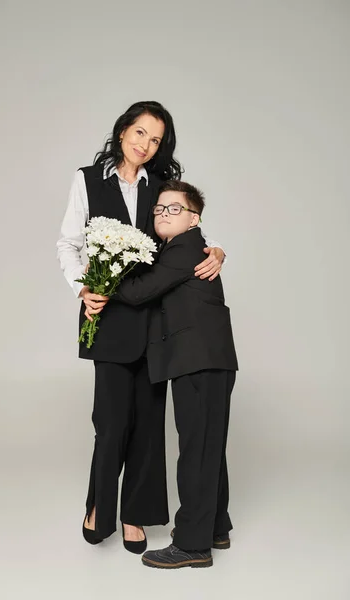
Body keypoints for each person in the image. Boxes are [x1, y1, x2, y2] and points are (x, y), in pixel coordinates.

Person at [56, 101, 226, 554]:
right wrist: (80, 288)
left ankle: (137, 514)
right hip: (106, 313)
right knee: (110, 420)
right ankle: (100, 506)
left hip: (154, 316)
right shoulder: (87, 179)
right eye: (139, 133)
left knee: (150, 423)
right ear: (122, 130)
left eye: (155, 140)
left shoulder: (162, 185)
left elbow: (187, 224)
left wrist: (215, 250)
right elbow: (68, 243)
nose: (145, 145)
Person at [110, 180, 238, 568]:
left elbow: (138, 293)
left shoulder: (184, 249)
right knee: (207, 447)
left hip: (198, 360)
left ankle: (192, 544)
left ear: (193, 219)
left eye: (174, 209)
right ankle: (216, 526)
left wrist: (102, 273)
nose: (163, 214)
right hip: (209, 360)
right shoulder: (187, 247)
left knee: (196, 451)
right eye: (159, 209)